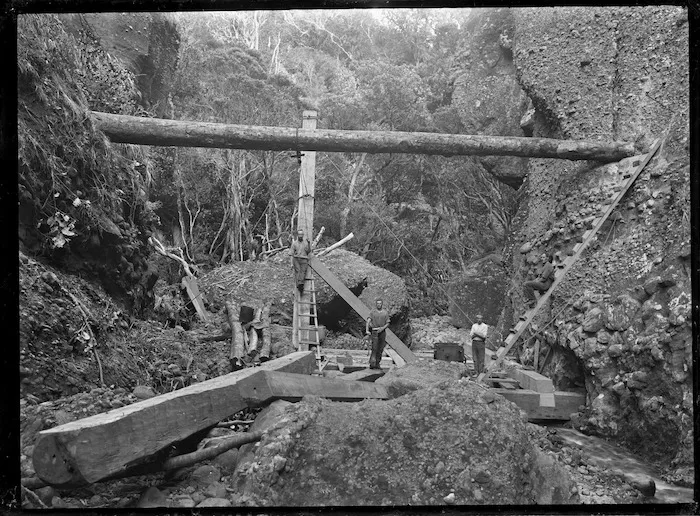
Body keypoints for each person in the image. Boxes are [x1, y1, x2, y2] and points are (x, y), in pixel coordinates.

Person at [366, 299, 390, 369]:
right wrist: (367, 330)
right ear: (376, 304)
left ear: (382, 304)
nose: (379, 305)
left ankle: (377, 363)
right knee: (374, 348)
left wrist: (382, 328)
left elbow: (388, 323)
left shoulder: (385, 313)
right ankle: (372, 363)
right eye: (377, 303)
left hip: (382, 332)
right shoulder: (373, 312)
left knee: (380, 348)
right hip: (375, 331)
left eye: (380, 303)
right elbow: (368, 321)